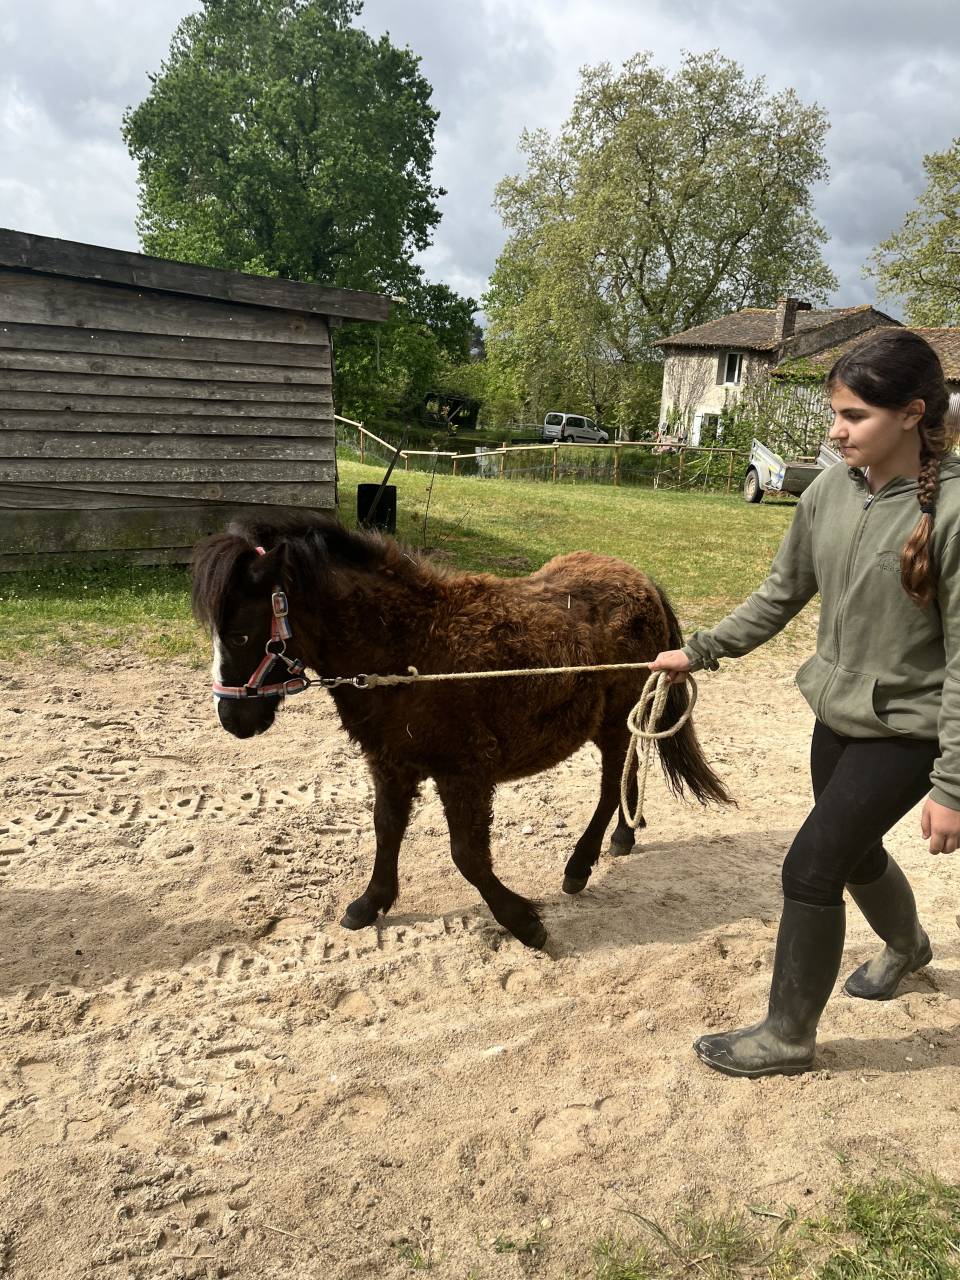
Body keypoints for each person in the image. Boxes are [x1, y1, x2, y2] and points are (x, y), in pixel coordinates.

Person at [650, 327, 960, 1079]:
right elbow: (780, 593)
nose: (835, 429)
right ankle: (910, 946)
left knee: (810, 869)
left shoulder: (953, 511)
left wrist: (952, 786)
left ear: (914, 413)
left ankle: (789, 1036)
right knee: (852, 857)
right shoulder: (827, 490)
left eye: (854, 415)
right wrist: (698, 651)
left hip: (907, 729)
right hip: (837, 713)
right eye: (836, 412)